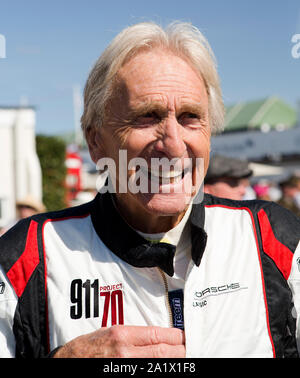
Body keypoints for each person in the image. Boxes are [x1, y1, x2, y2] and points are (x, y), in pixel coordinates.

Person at [0, 21, 300, 359]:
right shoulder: (25, 259)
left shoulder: (275, 240)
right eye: (147, 116)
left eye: (190, 117)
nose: (173, 145)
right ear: (95, 141)